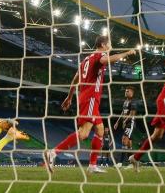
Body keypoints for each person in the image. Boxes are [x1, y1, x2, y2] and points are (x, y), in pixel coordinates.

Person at [44, 35, 136, 173]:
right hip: (91, 98)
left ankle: (92, 165)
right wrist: (127, 53)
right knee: (84, 133)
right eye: (109, 44)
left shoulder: (86, 59)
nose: (111, 46)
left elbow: (75, 78)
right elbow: (106, 59)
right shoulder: (100, 56)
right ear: (103, 45)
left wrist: (69, 96)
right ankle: (53, 152)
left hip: (86, 97)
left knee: (100, 130)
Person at [113, 86, 136, 168]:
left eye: (128, 91)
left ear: (132, 93)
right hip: (125, 123)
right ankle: (132, 163)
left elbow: (132, 114)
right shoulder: (125, 102)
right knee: (129, 144)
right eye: (125, 91)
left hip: (130, 124)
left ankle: (120, 162)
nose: (126, 92)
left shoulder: (133, 102)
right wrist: (117, 122)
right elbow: (123, 113)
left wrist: (125, 121)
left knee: (124, 140)